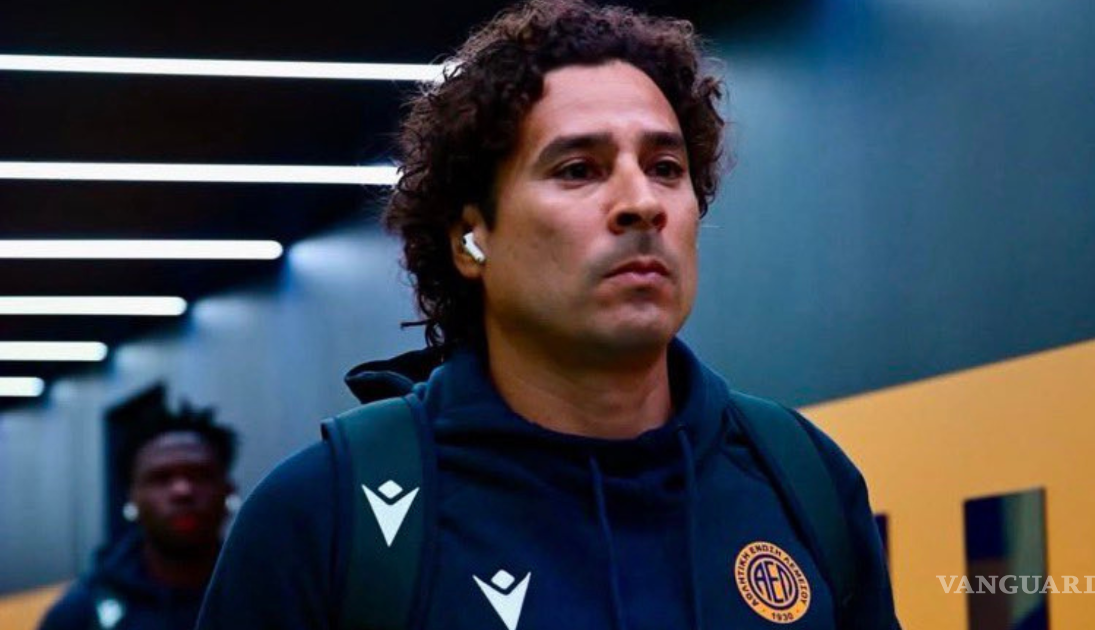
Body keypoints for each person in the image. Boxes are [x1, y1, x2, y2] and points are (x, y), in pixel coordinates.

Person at [198, 1, 901, 628]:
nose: (642, 203)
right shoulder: (324, 516)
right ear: (471, 239)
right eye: (578, 170)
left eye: (665, 167)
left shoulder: (801, 480)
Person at [39, 401, 237, 630]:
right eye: (161, 478)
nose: (182, 491)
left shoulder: (261, 592)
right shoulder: (80, 614)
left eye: (199, 475)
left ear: (229, 490)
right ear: (131, 497)